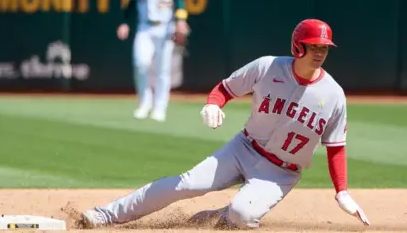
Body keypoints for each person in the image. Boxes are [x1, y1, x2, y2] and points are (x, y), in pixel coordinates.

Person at [63, 19, 370, 229]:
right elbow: (224, 88)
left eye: (324, 48)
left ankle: (218, 216)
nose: (320, 52)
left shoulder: (333, 95)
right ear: (298, 46)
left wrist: (341, 190)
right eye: (314, 46)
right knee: (185, 184)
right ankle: (105, 215)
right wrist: (213, 104)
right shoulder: (267, 67)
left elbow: (336, 147)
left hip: (281, 172)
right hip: (244, 148)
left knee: (240, 215)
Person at [117, 0, 190, 122]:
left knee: (162, 69)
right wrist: (124, 22)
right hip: (145, 27)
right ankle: (144, 103)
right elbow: (131, 2)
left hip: (165, 28)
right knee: (140, 63)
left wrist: (180, 21)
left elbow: (179, 2)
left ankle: (159, 108)